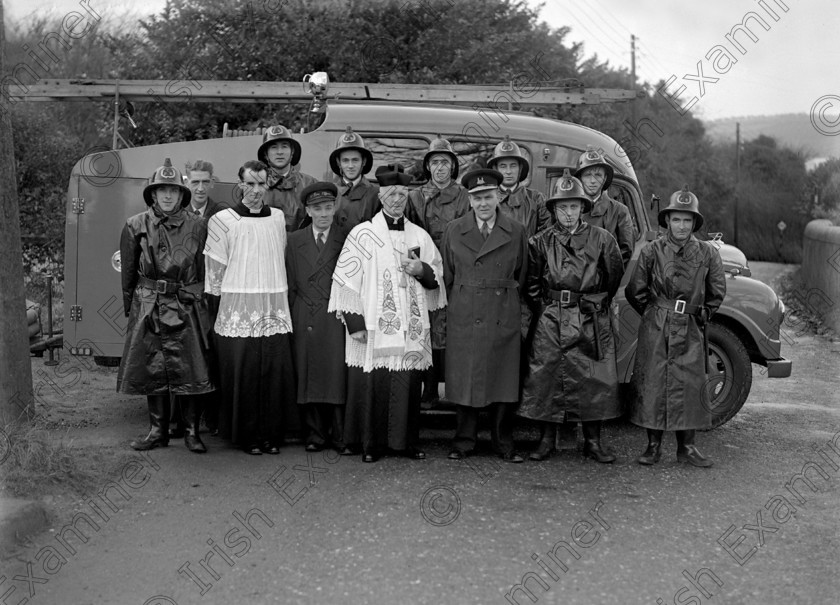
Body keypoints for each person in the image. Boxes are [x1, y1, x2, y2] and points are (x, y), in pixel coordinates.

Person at [329, 164, 446, 463]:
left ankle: (404, 443)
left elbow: (438, 277)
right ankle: (372, 444)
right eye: (392, 194)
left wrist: (422, 270)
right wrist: (354, 324)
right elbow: (344, 279)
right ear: (380, 197)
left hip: (409, 328)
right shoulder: (363, 234)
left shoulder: (419, 235)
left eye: (403, 194)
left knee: (407, 386)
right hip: (371, 326)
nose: (397, 200)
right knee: (374, 385)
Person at [517, 170, 624, 462]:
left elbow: (613, 277)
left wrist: (593, 302)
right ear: (553, 209)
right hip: (551, 317)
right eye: (562, 207)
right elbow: (532, 284)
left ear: (582, 208)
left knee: (594, 379)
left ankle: (593, 441)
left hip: (589, 315)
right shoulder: (539, 241)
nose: (568, 213)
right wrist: (548, 308)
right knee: (545, 376)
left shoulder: (602, 239)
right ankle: (546, 439)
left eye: (573, 206)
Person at [625, 185, 726, 467]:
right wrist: (655, 313)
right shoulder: (651, 251)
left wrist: (703, 313)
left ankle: (688, 448)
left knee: (690, 384)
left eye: (687, 219)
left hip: (691, 326)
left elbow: (717, 290)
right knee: (654, 382)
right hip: (657, 323)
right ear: (667, 220)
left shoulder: (707, 254)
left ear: (694, 223)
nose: (681, 225)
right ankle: (652, 446)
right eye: (676, 219)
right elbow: (636, 290)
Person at [117, 158, 213, 454]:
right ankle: (157, 431)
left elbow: (205, 270)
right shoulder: (135, 225)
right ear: (153, 194)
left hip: (185, 304)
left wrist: (197, 299)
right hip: (148, 304)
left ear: (181, 194)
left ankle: (192, 432)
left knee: (192, 369)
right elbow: (129, 273)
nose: (168, 196)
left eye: (173, 190)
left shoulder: (198, 225)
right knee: (153, 368)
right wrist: (132, 310)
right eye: (162, 190)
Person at [204, 160, 298, 455]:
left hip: (272, 308)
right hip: (237, 310)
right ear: (240, 185)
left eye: (261, 184)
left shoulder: (277, 218)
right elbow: (214, 270)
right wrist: (217, 309)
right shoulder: (222, 220)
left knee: (272, 373)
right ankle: (246, 436)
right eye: (250, 184)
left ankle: (270, 434)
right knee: (243, 375)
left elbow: (279, 256)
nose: (256, 190)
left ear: (268, 185)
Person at [442, 168, 528, 463]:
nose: (483, 203)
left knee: (503, 377)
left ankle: (503, 442)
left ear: (498, 196)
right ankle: (463, 440)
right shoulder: (454, 229)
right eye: (477, 198)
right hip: (466, 310)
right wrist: (460, 304)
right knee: (466, 377)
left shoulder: (516, 230)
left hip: (502, 309)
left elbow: (523, 275)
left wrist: (509, 304)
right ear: (469, 199)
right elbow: (447, 275)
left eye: (488, 196)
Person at [286, 182, 351, 455]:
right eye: (317, 209)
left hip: (335, 312)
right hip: (305, 311)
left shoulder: (347, 237)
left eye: (328, 207)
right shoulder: (294, 239)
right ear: (308, 211)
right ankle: (314, 434)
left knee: (336, 374)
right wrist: (290, 317)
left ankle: (339, 434)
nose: (323, 214)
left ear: (335, 208)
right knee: (308, 372)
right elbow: (290, 282)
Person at [405, 136, 470, 405]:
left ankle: (455, 390)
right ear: (428, 167)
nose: (440, 168)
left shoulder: (466, 197)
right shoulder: (415, 197)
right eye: (435, 162)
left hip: (457, 274)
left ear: (453, 167)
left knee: (455, 333)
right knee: (426, 330)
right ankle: (428, 390)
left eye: (445, 162)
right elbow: (406, 235)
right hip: (425, 274)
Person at [169, 159, 223, 441]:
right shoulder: (176, 214)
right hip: (185, 297)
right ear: (186, 184)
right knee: (182, 358)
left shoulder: (222, 213)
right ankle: (178, 420)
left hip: (214, 296)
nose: (200, 188)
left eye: (205, 182)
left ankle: (211, 417)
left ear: (212, 182)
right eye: (195, 182)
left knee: (211, 355)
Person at [574, 147, 635, 268]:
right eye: (587, 175)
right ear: (580, 179)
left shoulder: (620, 212)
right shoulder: (569, 208)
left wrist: (602, 278)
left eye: (598, 175)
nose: (592, 181)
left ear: (605, 178)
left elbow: (625, 253)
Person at [488, 135, 551, 239]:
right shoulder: (486, 199)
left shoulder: (537, 199)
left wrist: (526, 248)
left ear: (520, 169)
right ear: (496, 169)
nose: (508, 171)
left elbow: (547, 233)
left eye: (513, 165)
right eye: (503, 166)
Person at [256, 124, 317, 232]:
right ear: (266, 154)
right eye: (274, 147)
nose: (279, 152)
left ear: (292, 152)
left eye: (284, 146)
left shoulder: (310, 184)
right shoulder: (254, 185)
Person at [329, 126, 381, 230]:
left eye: (355, 160)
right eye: (345, 160)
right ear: (339, 163)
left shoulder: (376, 195)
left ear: (364, 161)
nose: (350, 166)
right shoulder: (330, 192)